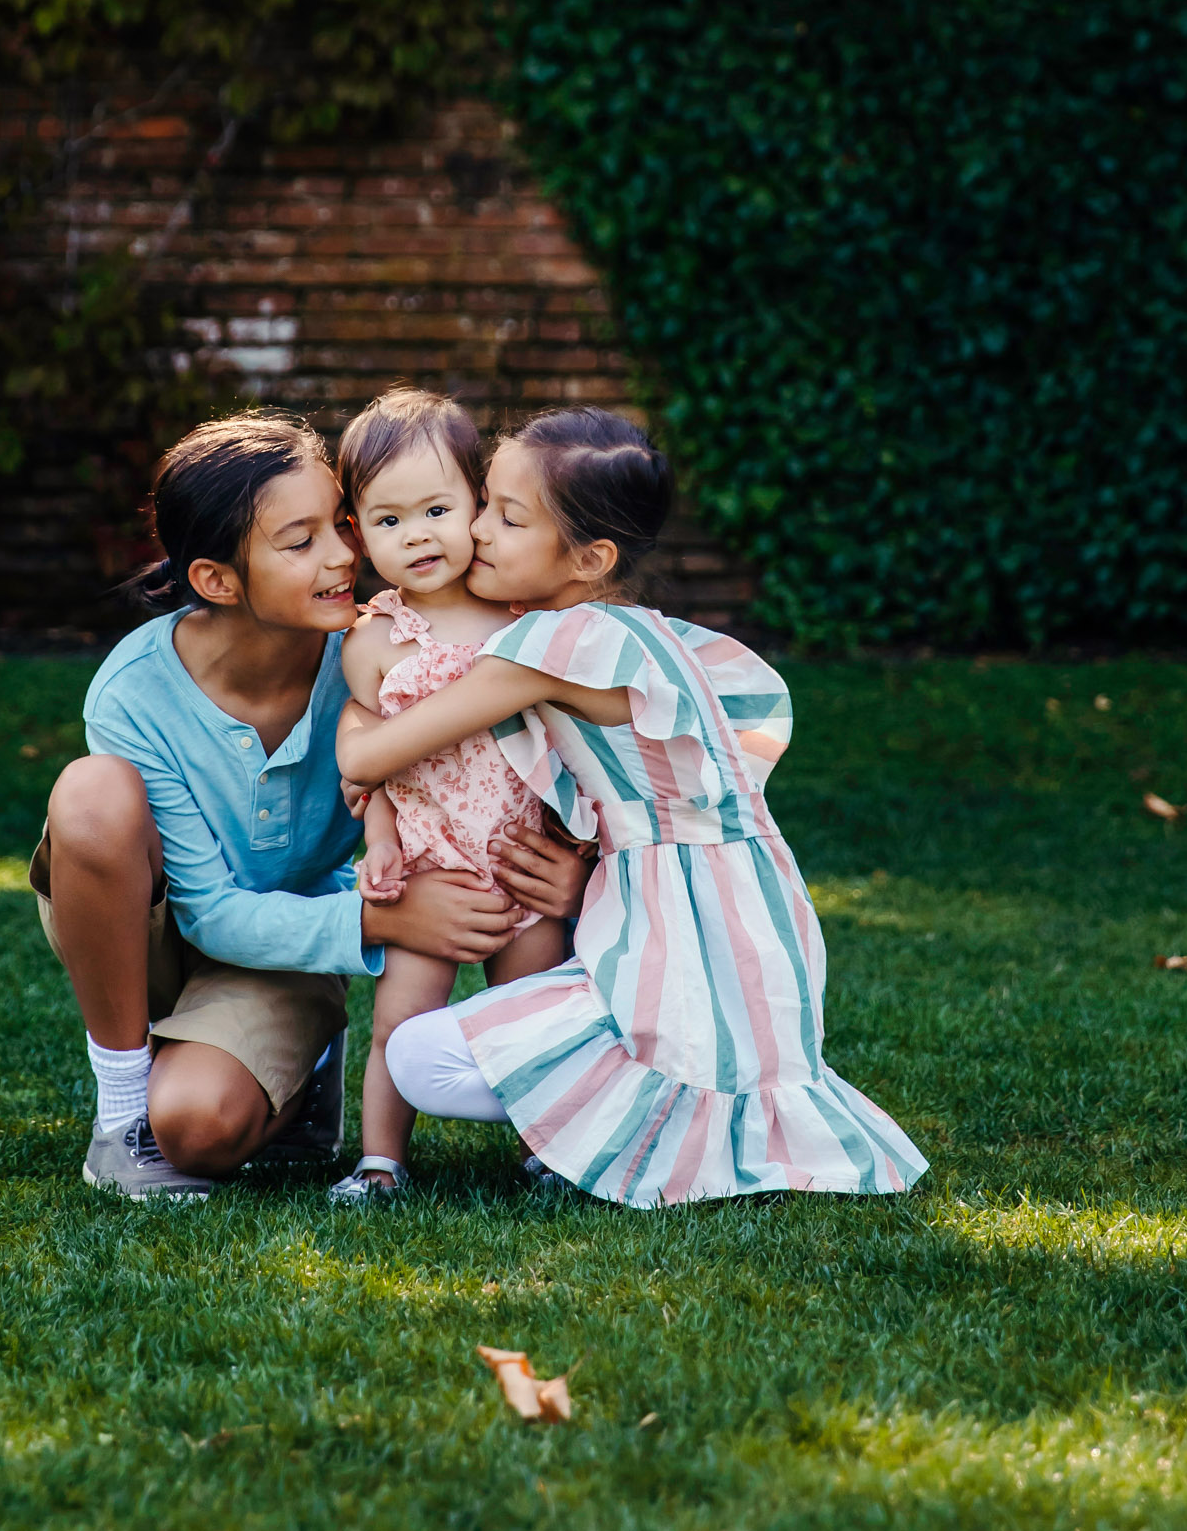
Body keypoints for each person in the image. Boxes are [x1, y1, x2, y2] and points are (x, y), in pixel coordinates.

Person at [337, 408, 930, 1208]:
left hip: (675, 913)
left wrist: (357, 721)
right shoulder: (647, 633)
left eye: (504, 517)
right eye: (482, 504)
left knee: (418, 1054)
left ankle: (586, 1138)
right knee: (716, 1053)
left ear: (589, 558)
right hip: (744, 903)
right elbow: (743, 723)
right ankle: (613, 1138)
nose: (474, 532)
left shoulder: (541, 648)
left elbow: (366, 758)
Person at [32, 409, 589, 1199]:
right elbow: (209, 914)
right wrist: (380, 920)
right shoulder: (134, 691)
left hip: (286, 939)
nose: (342, 556)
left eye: (339, 524)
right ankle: (122, 1114)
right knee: (90, 793)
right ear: (216, 581)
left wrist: (577, 870)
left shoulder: (380, 654)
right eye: (300, 543)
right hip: (145, 934)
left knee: (197, 1130)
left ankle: (292, 1072)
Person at [326, 390, 569, 1206]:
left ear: (478, 505)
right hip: (434, 863)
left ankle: (556, 1147)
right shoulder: (372, 638)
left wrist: (575, 843)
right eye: (388, 521)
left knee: (536, 1014)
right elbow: (370, 760)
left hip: (523, 855)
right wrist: (385, 840)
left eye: (436, 508)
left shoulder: (523, 616)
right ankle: (379, 1162)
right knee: (399, 1018)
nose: (417, 535)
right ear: (358, 535)